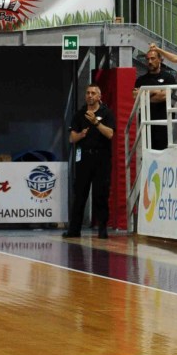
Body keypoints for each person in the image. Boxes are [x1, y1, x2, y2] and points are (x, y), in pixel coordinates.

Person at [63, 84, 115, 239]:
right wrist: (81, 135)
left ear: (99, 96)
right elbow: (72, 138)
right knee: (80, 194)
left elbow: (110, 134)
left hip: (101, 158)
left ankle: (102, 229)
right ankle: (74, 230)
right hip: (84, 158)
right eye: (87, 93)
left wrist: (96, 123)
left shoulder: (107, 113)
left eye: (93, 93)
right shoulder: (79, 114)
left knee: (101, 194)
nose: (90, 96)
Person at [134, 46, 177, 150]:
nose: (150, 61)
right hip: (146, 120)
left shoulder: (168, 78)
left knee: (163, 150)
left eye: (153, 58)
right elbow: (135, 96)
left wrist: (145, 93)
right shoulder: (141, 80)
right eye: (148, 59)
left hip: (164, 120)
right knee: (148, 150)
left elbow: (164, 96)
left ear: (160, 60)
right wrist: (156, 91)